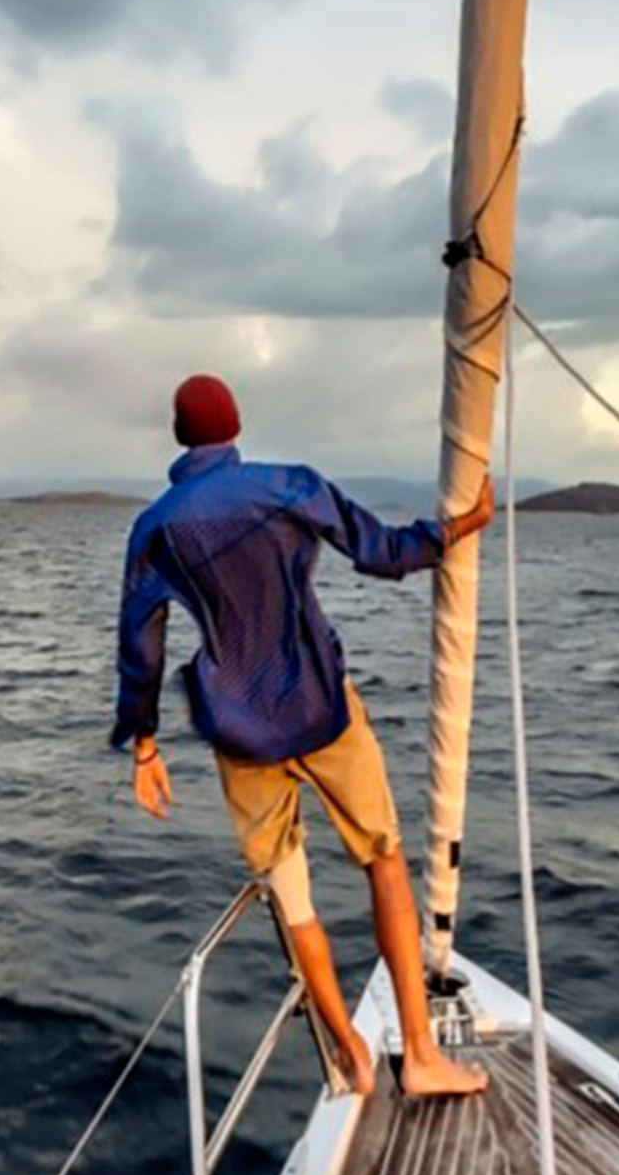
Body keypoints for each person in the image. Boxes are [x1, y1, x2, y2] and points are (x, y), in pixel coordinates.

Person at [115, 373, 493, 1099]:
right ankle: (418, 1054)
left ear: (178, 436)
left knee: (294, 899)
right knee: (382, 860)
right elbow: (381, 551)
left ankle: (349, 1048)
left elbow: (143, 643)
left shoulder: (155, 526)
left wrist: (145, 746)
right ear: (235, 426)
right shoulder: (286, 485)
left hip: (237, 731)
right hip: (320, 706)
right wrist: (458, 527)